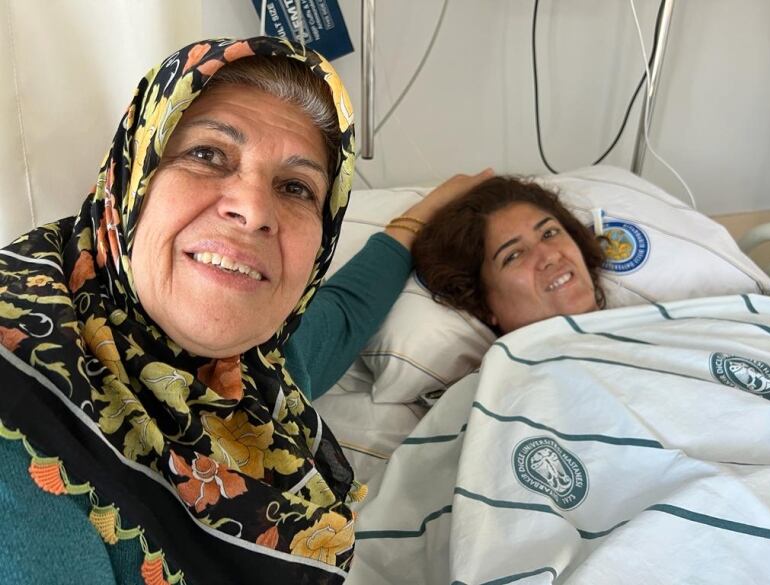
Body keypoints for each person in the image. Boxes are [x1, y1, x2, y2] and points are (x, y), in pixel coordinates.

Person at [0, 37, 485, 585]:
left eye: (296, 187)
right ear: (129, 182)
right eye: (207, 155)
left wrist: (424, 215)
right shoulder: (21, 420)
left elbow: (342, 316)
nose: (254, 210)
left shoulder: (246, 378)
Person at [413, 175, 607, 334]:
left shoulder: (637, 324)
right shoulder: (502, 380)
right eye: (513, 255)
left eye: (549, 233)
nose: (549, 256)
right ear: (484, 306)